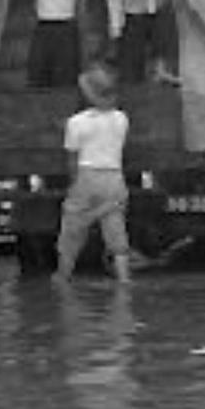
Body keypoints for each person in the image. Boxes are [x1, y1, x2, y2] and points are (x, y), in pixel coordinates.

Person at [56, 63, 132, 283]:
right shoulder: (122, 120)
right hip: (114, 178)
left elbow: (72, 159)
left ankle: (63, 276)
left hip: (87, 176)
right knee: (115, 227)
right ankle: (124, 280)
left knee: (72, 227)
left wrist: (74, 185)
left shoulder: (75, 123)